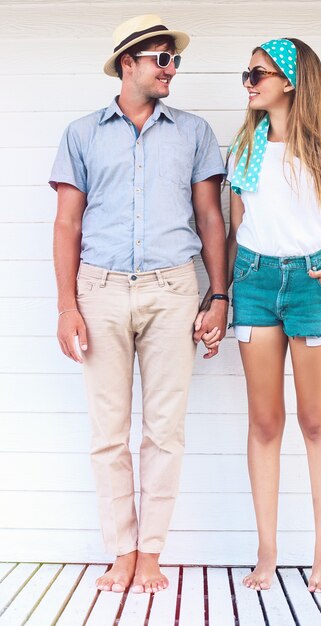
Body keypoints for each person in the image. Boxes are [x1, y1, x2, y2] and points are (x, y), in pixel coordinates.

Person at [49, 14, 228, 594]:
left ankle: (151, 552)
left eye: (173, 58)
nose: (171, 67)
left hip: (173, 289)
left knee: (164, 430)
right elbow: (68, 223)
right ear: (128, 62)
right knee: (107, 432)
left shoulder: (194, 132)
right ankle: (120, 550)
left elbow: (209, 219)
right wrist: (66, 305)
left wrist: (218, 294)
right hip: (98, 291)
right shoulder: (81, 133)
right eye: (161, 58)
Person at [198, 37, 321, 593]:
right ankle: (265, 554)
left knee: (317, 421)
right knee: (265, 422)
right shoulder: (243, 148)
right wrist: (222, 296)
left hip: (315, 284)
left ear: (290, 82)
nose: (249, 82)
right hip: (256, 282)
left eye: (258, 73)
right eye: (247, 74)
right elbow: (239, 230)